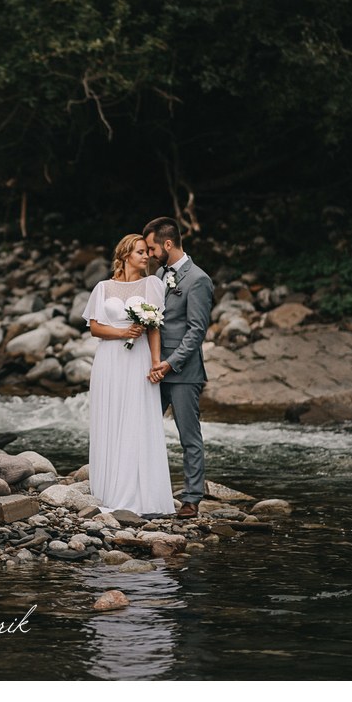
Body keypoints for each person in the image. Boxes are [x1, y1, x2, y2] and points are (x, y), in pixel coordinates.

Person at [81, 233, 175, 517]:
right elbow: (95, 328)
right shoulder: (103, 287)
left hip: (139, 358)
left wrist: (156, 362)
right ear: (124, 256)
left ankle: (141, 493)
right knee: (110, 416)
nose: (146, 256)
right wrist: (123, 332)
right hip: (109, 359)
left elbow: (155, 327)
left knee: (136, 417)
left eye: (147, 251)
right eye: (139, 252)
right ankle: (109, 489)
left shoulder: (152, 284)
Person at [143, 216, 214, 518]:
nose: (149, 254)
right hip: (155, 368)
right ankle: (143, 490)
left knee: (188, 437)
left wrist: (169, 364)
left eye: (151, 248)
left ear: (167, 244)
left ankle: (192, 498)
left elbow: (197, 331)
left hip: (183, 373)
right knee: (144, 429)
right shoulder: (160, 274)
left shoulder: (198, 279)